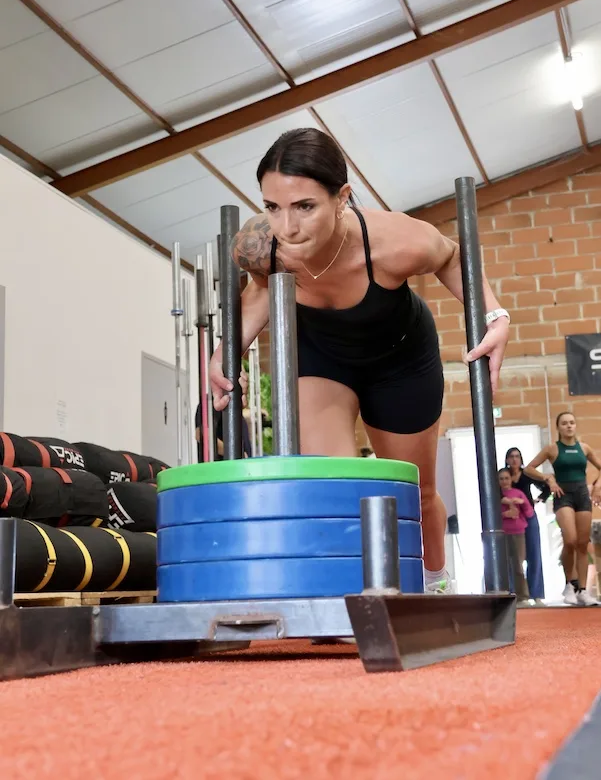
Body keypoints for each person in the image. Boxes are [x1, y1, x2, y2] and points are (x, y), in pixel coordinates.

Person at [209, 128, 510, 593]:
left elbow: (453, 258)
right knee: (335, 483)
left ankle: (435, 580)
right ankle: (347, 592)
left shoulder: (397, 241)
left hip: (400, 361)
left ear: (342, 198)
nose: (287, 227)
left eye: (304, 206)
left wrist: (495, 315)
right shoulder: (259, 245)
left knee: (414, 491)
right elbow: (260, 293)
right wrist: (226, 352)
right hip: (321, 358)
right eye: (272, 207)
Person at [526, 412, 601, 606]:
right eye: (565, 423)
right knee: (570, 540)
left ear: (575, 426)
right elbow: (529, 468)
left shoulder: (584, 448)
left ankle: (582, 590)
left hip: (581, 495)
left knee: (583, 543)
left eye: (572, 423)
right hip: (562, 495)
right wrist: (548, 478)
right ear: (558, 427)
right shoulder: (552, 449)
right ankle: (569, 584)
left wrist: (598, 486)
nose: (569, 426)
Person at [504, 447, 549, 604]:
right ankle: (516, 593)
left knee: (534, 553)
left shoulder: (527, 474)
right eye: (511, 456)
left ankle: (536, 594)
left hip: (528, 516)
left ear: (521, 459)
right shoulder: (504, 475)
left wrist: (538, 499)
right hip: (511, 519)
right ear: (507, 460)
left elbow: (546, 487)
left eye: (517, 456)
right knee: (514, 557)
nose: (514, 459)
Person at [498, 468, 533, 605]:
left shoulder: (519, 494)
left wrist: (522, 502)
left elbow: (529, 513)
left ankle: (522, 596)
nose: (504, 481)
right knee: (503, 566)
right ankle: (504, 594)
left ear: (511, 479)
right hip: (502, 534)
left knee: (518, 565)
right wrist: (504, 515)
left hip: (518, 533)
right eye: (501, 479)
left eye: (506, 478)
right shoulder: (496, 496)